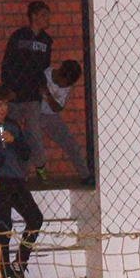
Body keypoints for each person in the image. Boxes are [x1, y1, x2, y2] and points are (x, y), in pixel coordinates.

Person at [0, 87, 42, 278]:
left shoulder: (12, 126)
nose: (2, 108)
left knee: (35, 218)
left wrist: (14, 142)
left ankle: (20, 261)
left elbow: (26, 153)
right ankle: (3, 269)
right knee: (4, 225)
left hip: (16, 180)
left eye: (5, 104)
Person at [1, 1, 53, 165]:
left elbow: (43, 68)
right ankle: (10, 168)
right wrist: (8, 88)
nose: (48, 19)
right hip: (15, 94)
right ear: (34, 16)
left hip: (32, 96)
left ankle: (39, 167)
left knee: (34, 134)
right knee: (12, 133)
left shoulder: (46, 41)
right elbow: (7, 63)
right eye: (44, 15)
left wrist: (42, 88)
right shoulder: (19, 36)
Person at [31, 59, 92, 187]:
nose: (66, 86)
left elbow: (56, 107)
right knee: (31, 143)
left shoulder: (66, 87)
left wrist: (47, 93)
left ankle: (85, 175)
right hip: (34, 113)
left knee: (70, 143)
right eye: (66, 82)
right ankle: (22, 177)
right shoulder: (45, 74)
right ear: (60, 73)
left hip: (51, 117)